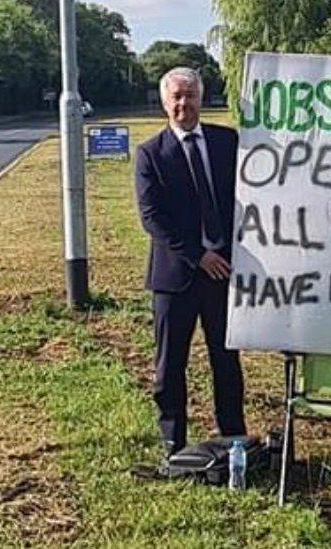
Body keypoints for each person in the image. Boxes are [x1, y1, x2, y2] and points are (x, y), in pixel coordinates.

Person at [134, 67, 245, 455]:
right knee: (170, 366)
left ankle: (233, 436)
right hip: (175, 277)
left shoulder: (227, 142)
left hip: (224, 274)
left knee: (226, 360)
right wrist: (200, 256)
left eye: (190, 96)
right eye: (176, 97)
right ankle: (172, 441)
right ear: (165, 103)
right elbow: (152, 218)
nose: (184, 104)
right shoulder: (150, 154)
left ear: (202, 98)